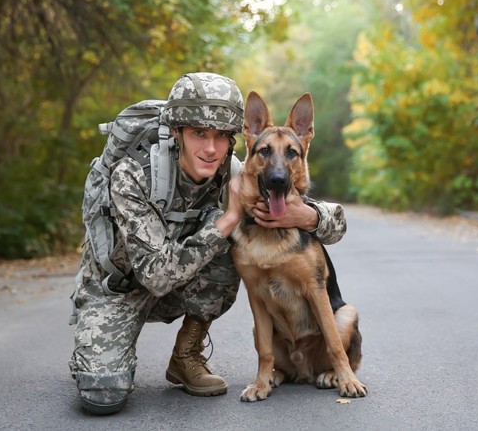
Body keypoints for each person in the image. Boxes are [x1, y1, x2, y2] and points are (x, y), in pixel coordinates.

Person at [68, 72, 348, 415]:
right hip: (119, 289)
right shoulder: (134, 175)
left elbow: (334, 225)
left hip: (178, 284)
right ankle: (101, 351)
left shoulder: (236, 170)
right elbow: (156, 277)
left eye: (220, 136)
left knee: (241, 252)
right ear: (177, 131)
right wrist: (229, 219)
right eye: (198, 133)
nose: (211, 147)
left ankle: (186, 356)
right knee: (103, 395)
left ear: (234, 138)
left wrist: (307, 217)